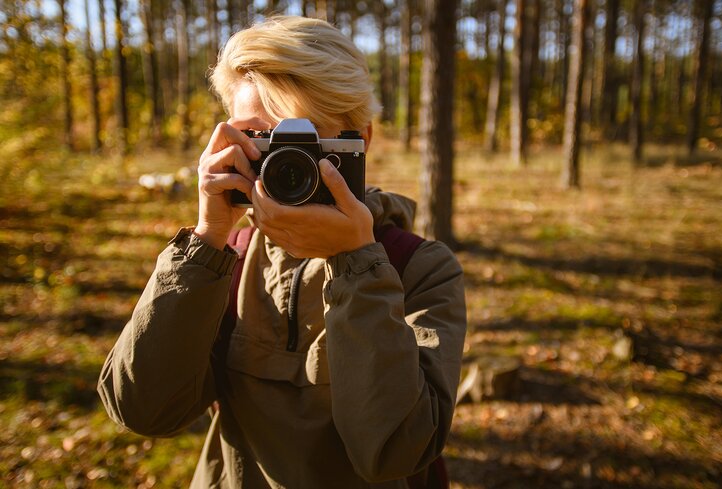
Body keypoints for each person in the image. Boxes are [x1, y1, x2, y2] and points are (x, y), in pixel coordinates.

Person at [98, 15, 466, 489]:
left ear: (361, 140)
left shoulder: (419, 269)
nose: (282, 164)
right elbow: (142, 409)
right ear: (229, 139)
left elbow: (393, 453)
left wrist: (357, 263)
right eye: (260, 140)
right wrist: (208, 236)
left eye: (304, 140)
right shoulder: (221, 261)